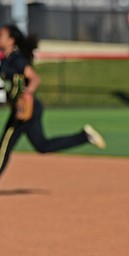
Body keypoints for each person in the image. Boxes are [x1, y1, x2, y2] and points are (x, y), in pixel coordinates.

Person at [0, 24, 106, 177]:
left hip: (27, 108)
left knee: (4, 144)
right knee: (42, 145)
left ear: (11, 40)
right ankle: (84, 137)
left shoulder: (17, 59)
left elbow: (35, 78)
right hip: (26, 108)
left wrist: (27, 94)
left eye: (1, 34)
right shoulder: (6, 59)